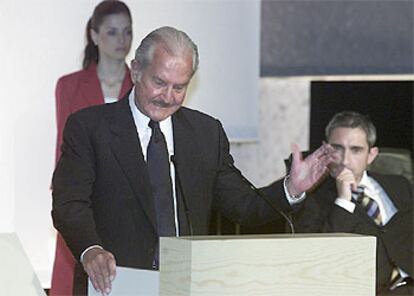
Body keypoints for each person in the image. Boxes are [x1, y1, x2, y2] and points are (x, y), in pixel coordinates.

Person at [52, 26, 334, 296]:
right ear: (136, 70)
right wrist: (91, 249)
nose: (167, 97)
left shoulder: (205, 133)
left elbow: (242, 205)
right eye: (159, 83)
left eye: (179, 87)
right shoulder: (90, 127)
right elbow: (69, 204)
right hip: (115, 285)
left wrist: (291, 188)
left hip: (188, 284)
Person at [51, 1, 133, 295]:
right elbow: (64, 151)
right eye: (112, 32)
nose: (122, 41)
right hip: (82, 203)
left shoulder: (141, 87)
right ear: (95, 35)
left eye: (127, 32)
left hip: (128, 209)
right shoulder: (69, 85)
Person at [292, 111, 413, 295]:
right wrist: (343, 202)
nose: (345, 160)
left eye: (356, 150)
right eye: (337, 148)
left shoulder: (399, 185)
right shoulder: (310, 199)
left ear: (371, 155)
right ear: (325, 149)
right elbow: (318, 260)